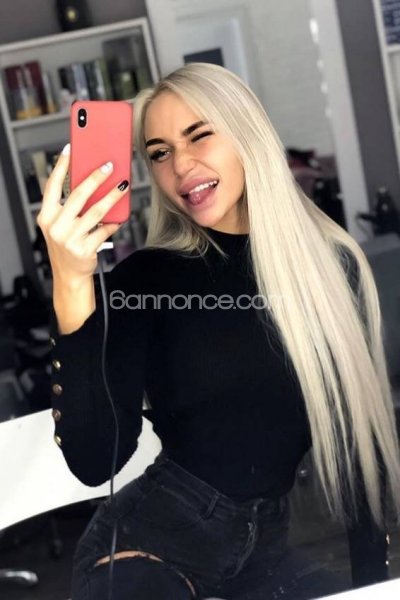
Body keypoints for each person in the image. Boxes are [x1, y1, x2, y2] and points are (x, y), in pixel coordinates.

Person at [37, 62, 400, 600]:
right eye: (159, 152)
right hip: (152, 549)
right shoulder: (146, 280)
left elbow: (359, 453)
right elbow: (95, 462)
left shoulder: (332, 268)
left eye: (199, 134)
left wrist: (372, 586)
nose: (181, 165)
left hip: (268, 553)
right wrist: (71, 282)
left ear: (247, 133)